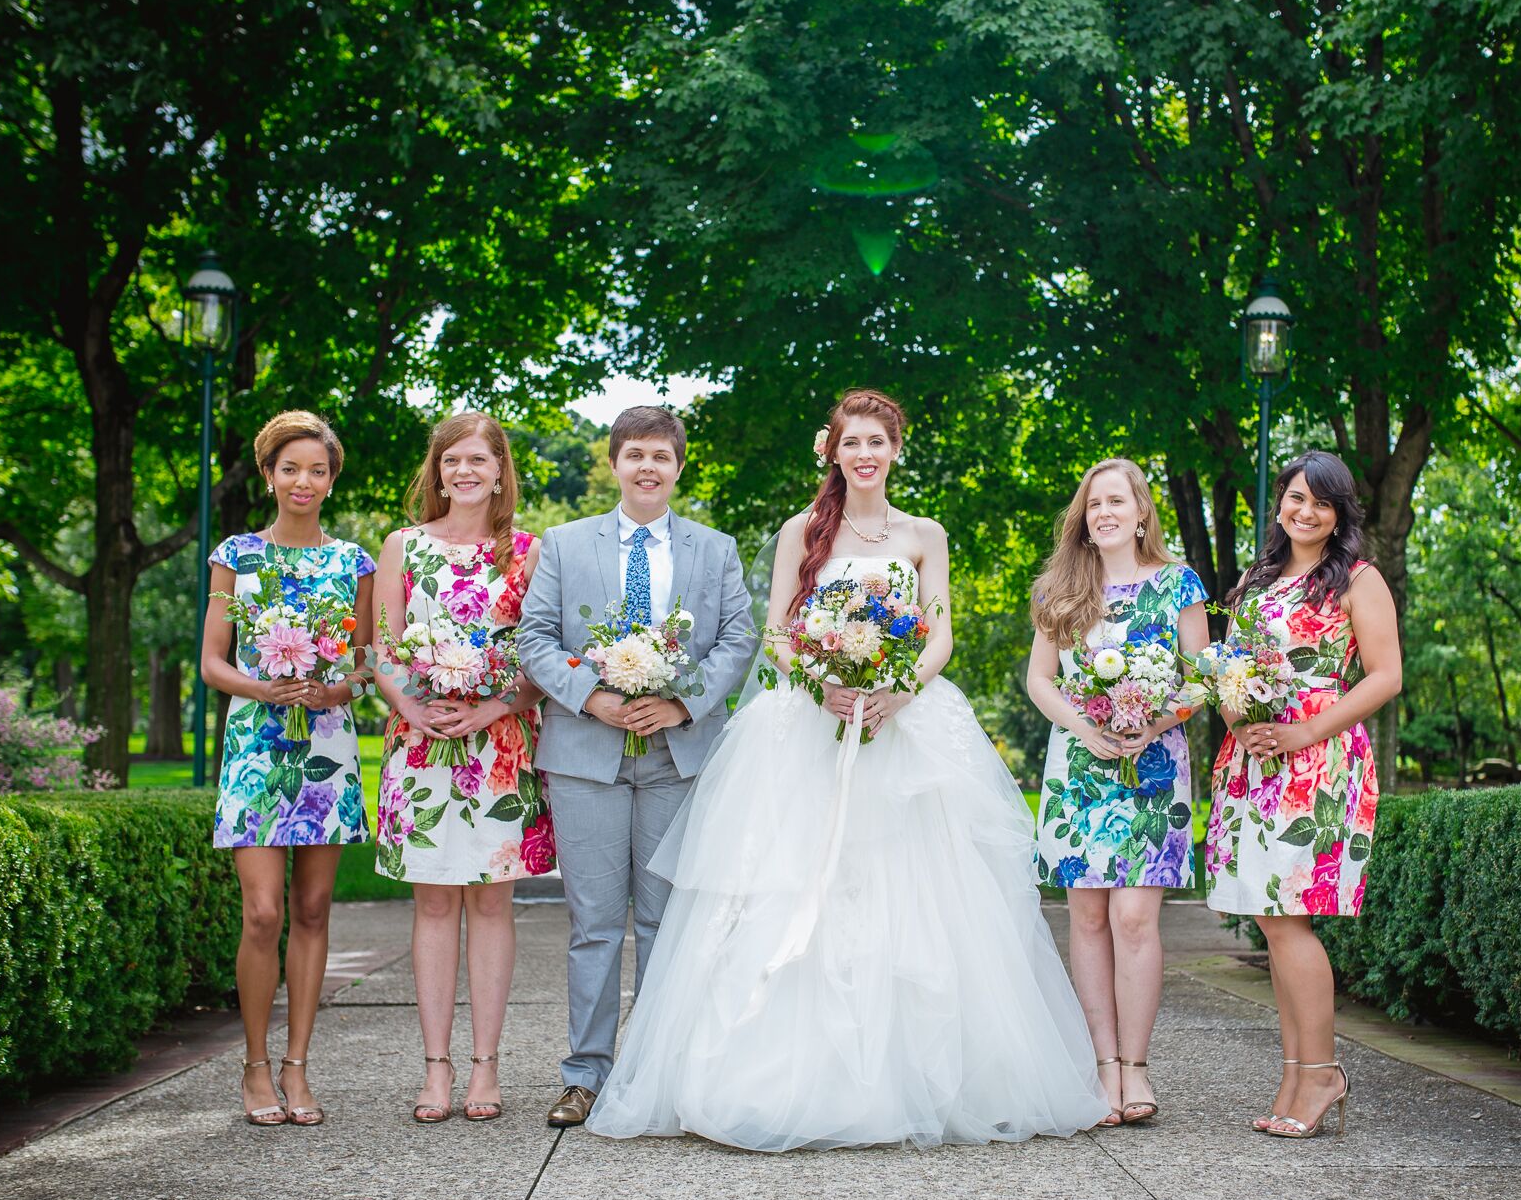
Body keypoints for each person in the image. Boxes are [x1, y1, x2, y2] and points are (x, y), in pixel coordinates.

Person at [585, 389, 1110, 1151]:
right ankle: (773, 1076)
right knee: (794, 883)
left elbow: (939, 635)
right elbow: (777, 629)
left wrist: (903, 686)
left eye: (876, 441)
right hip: (809, 723)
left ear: (896, 449)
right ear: (831, 450)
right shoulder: (805, 530)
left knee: (911, 887)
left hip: (902, 723)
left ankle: (912, 1077)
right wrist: (820, 681)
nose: (863, 453)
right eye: (850, 441)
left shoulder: (926, 533)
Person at [514, 405, 756, 1130]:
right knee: (594, 923)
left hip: (677, 756)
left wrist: (683, 706)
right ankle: (585, 1075)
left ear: (679, 467)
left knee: (663, 920)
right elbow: (534, 636)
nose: (647, 467)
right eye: (634, 455)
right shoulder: (561, 544)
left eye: (661, 455)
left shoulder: (715, 550)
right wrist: (594, 696)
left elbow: (740, 637)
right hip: (587, 753)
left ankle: (656, 1072)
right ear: (614, 463)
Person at [1207, 450, 1401, 1139]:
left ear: (1340, 511)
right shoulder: (1256, 580)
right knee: (1270, 918)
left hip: (1318, 764)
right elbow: (1230, 668)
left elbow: (1385, 676)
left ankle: (1322, 1073)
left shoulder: (1357, 578)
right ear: (1281, 503)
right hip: (1256, 761)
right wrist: (1245, 721)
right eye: (1295, 497)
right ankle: (1295, 1072)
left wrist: (1301, 732)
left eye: (1321, 501)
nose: (1305, 511)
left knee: (1291, 918)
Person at [371, 411, 553, 1124]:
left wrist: (495, 705)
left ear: (501, 470)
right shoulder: (403, 546)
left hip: (499, 744)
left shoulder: (529, 552)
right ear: (437, 470)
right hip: (420, 744)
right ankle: (436, 1068)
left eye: (478, 459)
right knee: (435, 902)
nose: (464, 471)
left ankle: (486, 1067)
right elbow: (382, 648)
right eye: (452, 461)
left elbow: (542, 655)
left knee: (491, 903)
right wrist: (412, 708)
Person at [201, 409, 375, 1127]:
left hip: (328, 746)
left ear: (332, 480)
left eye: (319, 469)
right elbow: (212, 662)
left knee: (311, 909)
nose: (304, 480)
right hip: (255, 748)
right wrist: (262, 686)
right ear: (270, 473)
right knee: (263, 910)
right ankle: (254, 1064)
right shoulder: (235, 555)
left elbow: (366, 661)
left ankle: (298, 1066)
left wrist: (342, 686)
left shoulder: (354, 562)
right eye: (291, 467)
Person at [1025, 458, 1209, 1126]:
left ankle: (1137, 1066)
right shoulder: (1060, 590)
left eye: (1116, 500)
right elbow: (1040, 680)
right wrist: (1085, 726)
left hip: (1153, 771)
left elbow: (1200, 678)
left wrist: (1151, 720)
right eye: (1093, 503)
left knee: (1135, 919)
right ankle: (1102, 1068)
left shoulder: (1178, 583)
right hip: (1079, 770)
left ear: (1140, 512)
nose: (1103, 511)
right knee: (1090, 919)